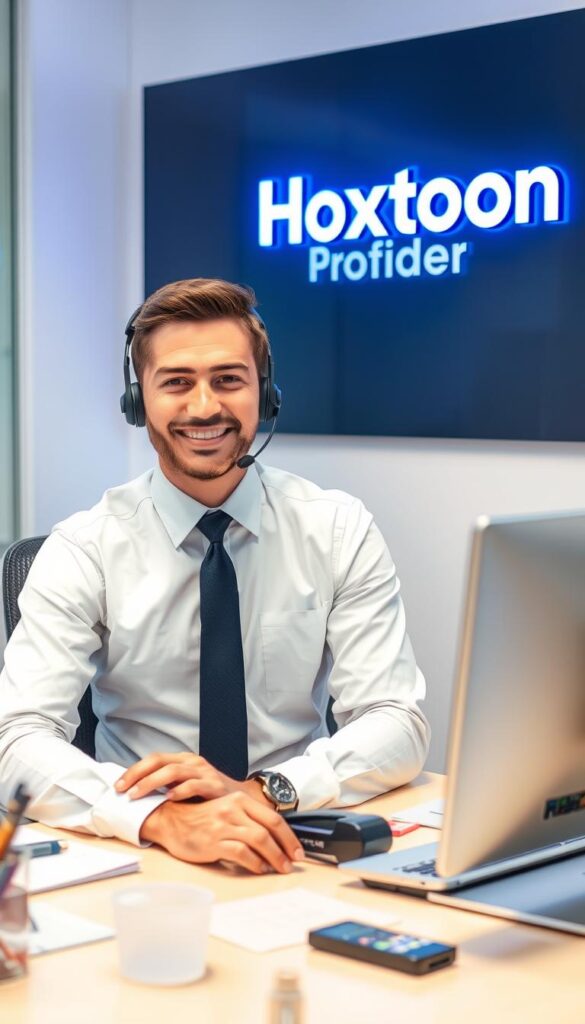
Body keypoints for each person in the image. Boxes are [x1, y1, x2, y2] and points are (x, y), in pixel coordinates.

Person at [0, 278, 429, 875]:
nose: (204, 406)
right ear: (136, 401)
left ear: (266, 394)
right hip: (143, 848)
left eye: (228, 379)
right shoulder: (85, 547)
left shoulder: (335, 529)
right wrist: (160, 817)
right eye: (176, 382)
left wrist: (263, 791)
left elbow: (397, 720)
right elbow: (16, 740)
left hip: (291, 831)